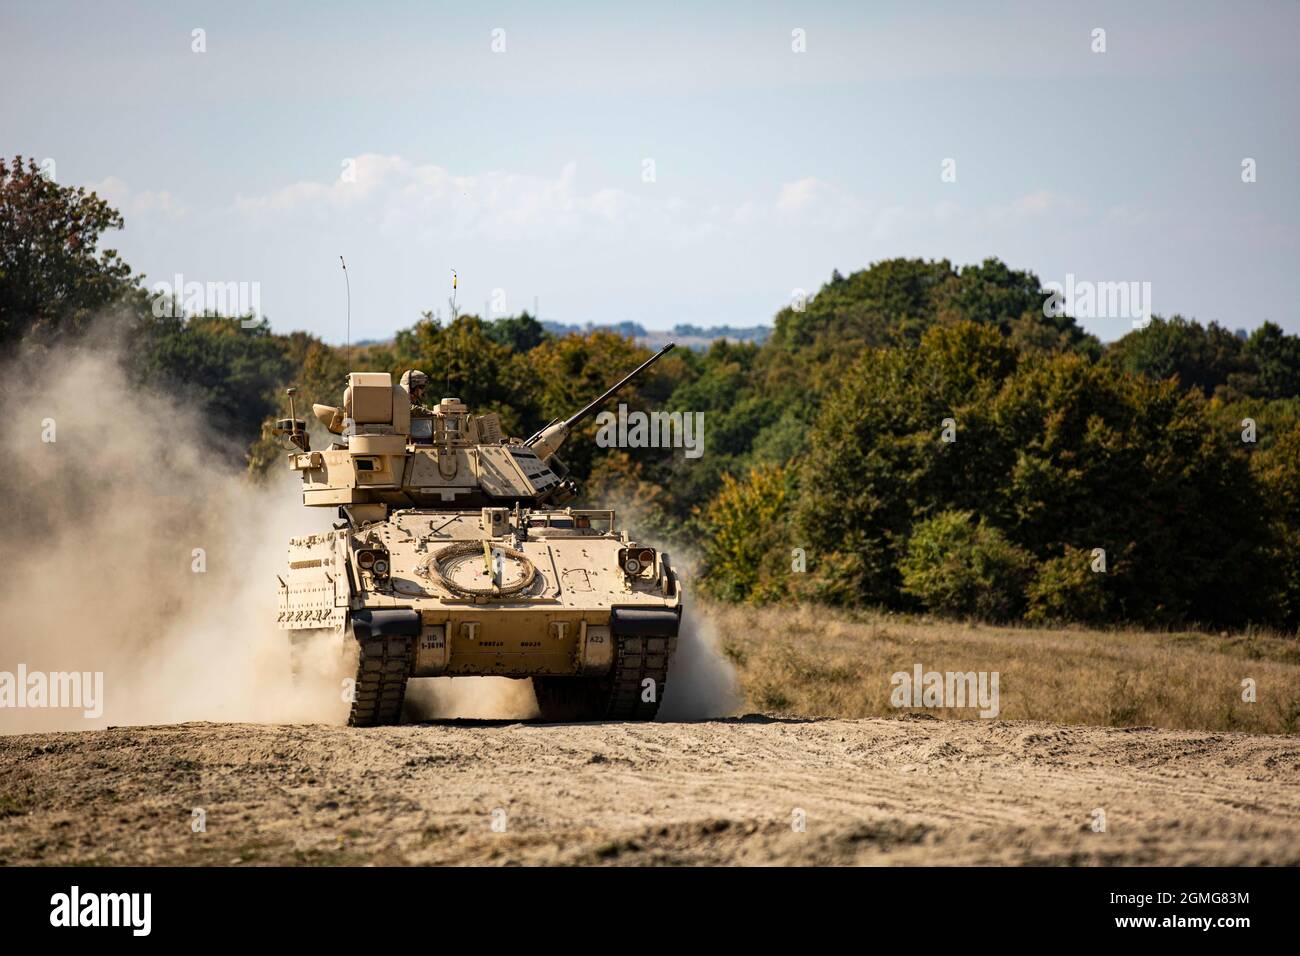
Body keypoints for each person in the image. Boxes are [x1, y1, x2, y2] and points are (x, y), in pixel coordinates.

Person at [400, 369, 436, 442]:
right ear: (412, 387)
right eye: (421, 387)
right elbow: (411, 409)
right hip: (407, 442)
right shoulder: (400, 400)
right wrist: (432, 412)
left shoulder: (417, 402)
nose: (423, 390)